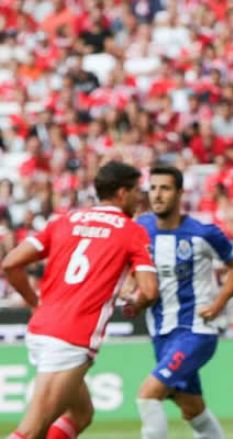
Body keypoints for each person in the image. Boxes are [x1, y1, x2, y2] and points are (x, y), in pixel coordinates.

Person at [3, 161, 158, 439]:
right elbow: (149, 290)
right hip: (71, 338)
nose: (140, 197)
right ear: (122, 193)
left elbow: (11, 263)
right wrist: (135, 301)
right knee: (31, 431)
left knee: (81, 414)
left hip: (41, 328)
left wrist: (33, 302)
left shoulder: (65, 220)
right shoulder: (131, 231)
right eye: (137, 191)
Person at [134, 165, 233, 439]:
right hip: (161, 335)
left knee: (148, 396)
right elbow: (131, 267)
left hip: (196, 332)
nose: (158, 195)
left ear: (180, 193)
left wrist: (219, 304)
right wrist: (130, 292)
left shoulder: (203, 233)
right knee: (192, 410)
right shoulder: (140, 228)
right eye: (154, 188)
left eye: (165, 188)